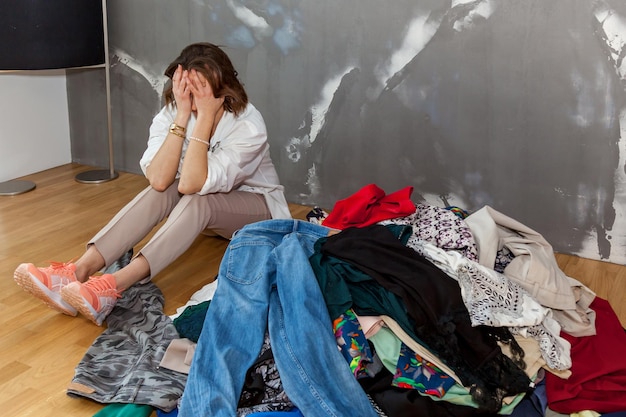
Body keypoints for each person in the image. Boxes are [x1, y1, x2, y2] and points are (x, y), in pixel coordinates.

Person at [13, 42, 291, 326]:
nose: (193, 98)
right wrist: (182, 117)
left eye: (202, 89)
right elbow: (159, 180)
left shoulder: (248, 124)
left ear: (223, 90)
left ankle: (114, 284)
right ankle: (78, 270)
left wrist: (206, 117)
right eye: (186, 88)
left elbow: (194, 184)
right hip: (203, 216)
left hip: (256, 209)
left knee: (195, 195)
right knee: (165, 187)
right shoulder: (176, 111)